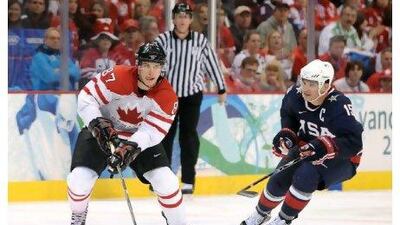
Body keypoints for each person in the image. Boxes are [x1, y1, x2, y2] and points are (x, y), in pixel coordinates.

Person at [67, 42, 188, 225]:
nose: (151, 72)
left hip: (139, 138)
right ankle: (78, 216)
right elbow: (86, 97)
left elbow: (150, 133)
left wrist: (128, 149)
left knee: (167, 182)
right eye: (146, 65)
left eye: (156, 66)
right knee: (78, 180)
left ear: (162, 68)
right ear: (138, 64)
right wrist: (98, 125)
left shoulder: (167, 97)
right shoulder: (117, 76)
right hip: (103, 131)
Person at [241, 59, 363, 225]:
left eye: (312, 84)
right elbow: (288, 116)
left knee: (305, 174)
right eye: (304, 82)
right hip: (308, 148)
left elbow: (354, 143)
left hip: (343, 158)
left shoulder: (338, 105)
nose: (305, 88)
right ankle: (260, 214)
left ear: (326, 84)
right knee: (279, 177)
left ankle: (283, 220)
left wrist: (325, 145)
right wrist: (287, 136)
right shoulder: (294, 95)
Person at [155, 2, 226, 194]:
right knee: (165, 137)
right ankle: (163, 179)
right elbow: (152, 63)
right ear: (173, 19)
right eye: (179, 16)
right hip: (167, 94)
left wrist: (221, 87)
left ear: (190, 19)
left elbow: (212, 63)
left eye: (186, 16)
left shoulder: (200, 41)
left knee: (189, 137)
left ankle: (188, 180)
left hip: (192, 95)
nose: (182, 19)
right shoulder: (162, 40)